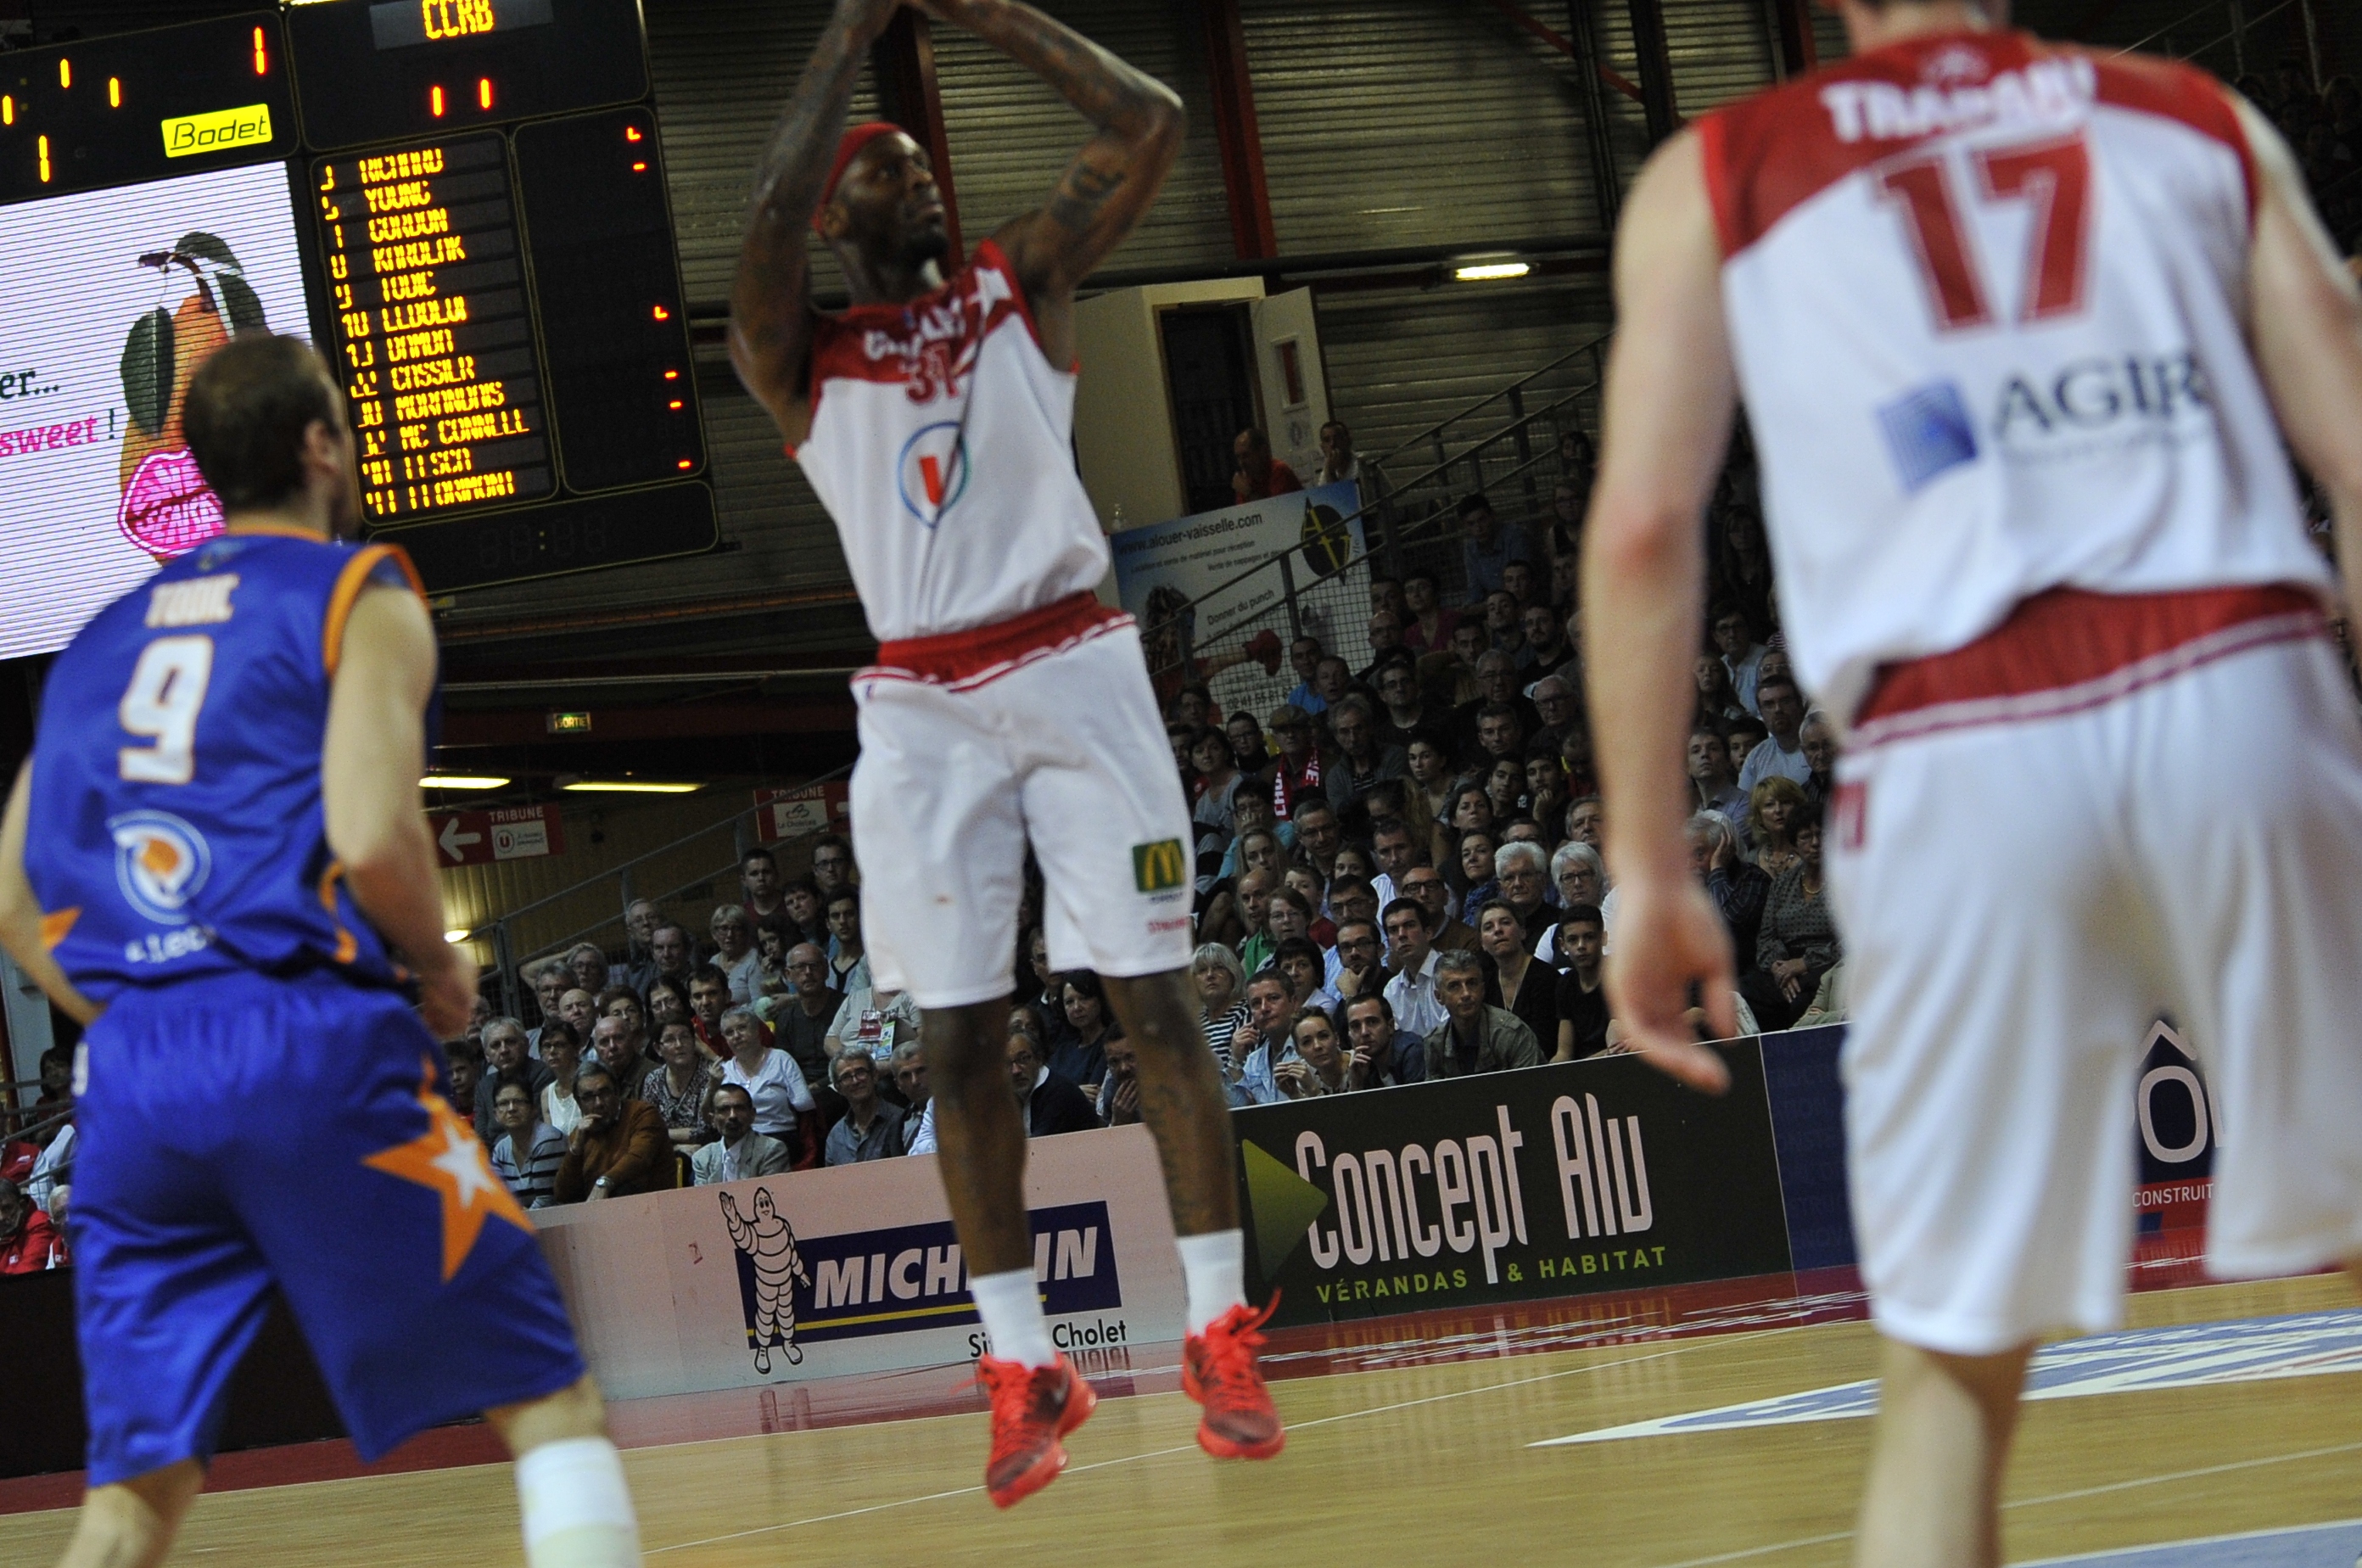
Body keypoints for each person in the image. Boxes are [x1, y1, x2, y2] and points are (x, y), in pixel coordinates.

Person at [1581, 3, 2362, 1560]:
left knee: (1946, 1373)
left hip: (1949, 747)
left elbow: (1643, 532)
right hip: (2233, 675)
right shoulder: (2192, 115)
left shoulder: (1714, 173)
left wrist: (1651, 869)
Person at [735, 0, 1281, 1504]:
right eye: (881, 171)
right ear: (840, 216)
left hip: (1077, 666)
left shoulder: (1010, 282)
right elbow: (765, 217)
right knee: (960, 1042)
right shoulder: (798, 355)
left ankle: (1220, 1326)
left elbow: (1148, 122)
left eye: (920, 164)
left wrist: (977, 13)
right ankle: (1016, 1361)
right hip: (920, 711)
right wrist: (845, 35)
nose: (913, 181)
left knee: (1151, 1001)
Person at [0, 333, 640, 1568]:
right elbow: (368, 834)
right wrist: (442, 967)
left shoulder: (93, 646)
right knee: (550, 1402)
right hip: (302, 1040)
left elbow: (18, 911)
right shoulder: (361, 595)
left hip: (130, 1078)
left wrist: (145, 1010)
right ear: (318, 448)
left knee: (132, 1502)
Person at [552, 1065, 669, 1203]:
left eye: (604, 1093)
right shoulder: (581, 1133)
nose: (599, 1103)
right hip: (599, 1216)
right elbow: (562, 1195)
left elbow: (639, 1158)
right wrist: (576, 1149)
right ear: (579, 1102)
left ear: (617, 1092)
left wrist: (605, 1182)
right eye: (589, 1097)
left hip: (652, 1207)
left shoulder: (642, 1114)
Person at [718, 1006, 817, 1168]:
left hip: (779, 1137)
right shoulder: (724, 1071)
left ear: (757, 1029)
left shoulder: (781, 1059)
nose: (736, 1036)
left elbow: (804, 1103)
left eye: (742, 1028)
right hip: (737, 1138)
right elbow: (712, 1117)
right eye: (729, 1032)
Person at [1424, 949, 1542, 1078]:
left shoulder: (1512, 1035)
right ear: (1439, 996)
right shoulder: (1435, 1044)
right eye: (1454, 986)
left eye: (1472, 983)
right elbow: (1433, 1096)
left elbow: (1531, 1091)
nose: (1466, 994)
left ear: (1482, 989)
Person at [1005, 1011, 1102, 1137]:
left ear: (1039, 1059)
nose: (1016, 1070)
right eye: (1007, 1064)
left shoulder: (1060, 1093)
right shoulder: (1013, 1094)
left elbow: (1038, 1150)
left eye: (1023, 1059)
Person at [1476, 900, 1555, 1047]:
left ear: (1522, 932)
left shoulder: (1546, 977)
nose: (1498, 930)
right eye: (1488, 927)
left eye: (1505, 923)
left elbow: (1546, 1041)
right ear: (1482, 944)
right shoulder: (1485, 983)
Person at [771, 944, 842, 1088]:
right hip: (799, 1089)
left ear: (827, 970)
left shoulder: (847, 1007)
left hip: (841, 1083)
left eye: (814, 966)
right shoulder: (785, 1018)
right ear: (788, 975)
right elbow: (785, 1067)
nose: (808, 972)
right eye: (801, 967)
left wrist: (819, 1085)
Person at [490, 1080, 568, 1210]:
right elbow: (498, 1200)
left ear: (533, 1109)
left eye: (519, 1101)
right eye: (503, 1104)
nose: (511, 1109)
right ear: (496, 1115)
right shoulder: (501, 1149)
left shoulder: (548, 1140)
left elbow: (546, 1202)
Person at [691, 1084, 792, 1185]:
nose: (732, 1116)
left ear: (752, 1115)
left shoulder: (771, 1150)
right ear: (713, 1119)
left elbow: (771, 1197)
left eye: (739, 1108)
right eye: (724, 1109)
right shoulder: (702, 1158)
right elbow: (702, 1200)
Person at [824, 1046, 907, 1165]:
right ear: (838, 1088)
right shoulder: (836, 1135)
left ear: (874, 1076)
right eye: (846, 1077)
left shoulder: (901, 1121)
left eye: (860, 1072)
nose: (856, 1081)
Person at [643, 1021, 717, 1151]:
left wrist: (663, 1133)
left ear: (694, 1042)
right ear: (658, 1049)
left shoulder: (710, 1074)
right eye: (670, 1040)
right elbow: (647, 1129)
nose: (679, 1045)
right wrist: (677, 1147)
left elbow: (704, 1132)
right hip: (664, 1151)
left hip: (706, 1151)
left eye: (684, 1037)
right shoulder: (653, 1079)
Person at [1380, 899, 1447, 1039]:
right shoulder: (1392, 990)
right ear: (1389, 943)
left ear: (1428, 933)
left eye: (1409, 925)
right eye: (1393, 930)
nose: (1401, 935)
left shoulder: (1451, 974)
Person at [1551, 905, 1612, 1061]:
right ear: (1562, 945)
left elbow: (1622, 1046)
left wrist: (1580, 1069)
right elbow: (1564, 1052)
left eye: (1589, 937)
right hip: (1582, 1073)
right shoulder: (1565, 984)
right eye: (1573, 940)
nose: (1581, 946)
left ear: (1603, 938)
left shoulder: (1622, 976)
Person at [1735, 673, 1811, 794]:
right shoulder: (1756, 757)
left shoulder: (1819, 748)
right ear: (1760, 712)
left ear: (1800, 704)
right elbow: (1744, 808)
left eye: (1785, 701)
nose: (1778, 709)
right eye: (1769, 704)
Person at [1341, 993, 1426, 1088]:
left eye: (1372, 1022)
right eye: (1356, 1026)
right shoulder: (1364, 1064)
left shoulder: (1411, 1051)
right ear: (1349, 1034)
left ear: (1390, 1026)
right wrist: (1357, 1084)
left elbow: (1418, 1101)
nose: (1364, 1032)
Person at [1273, 1009, 1352, 1099]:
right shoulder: (1303, 1076)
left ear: (1337, 1039)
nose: (1317, 1046)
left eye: (1323, 1036)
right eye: (1307, 1042)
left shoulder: (1359, 1064)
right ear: (1298, 1052)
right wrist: (1294, 1094)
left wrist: (1313, 1090)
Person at [0, 1176, 67, 1274]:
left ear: (21, 1205)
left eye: (7, 1208)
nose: (1, 1217)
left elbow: (28, 1275)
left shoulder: (40, 1224)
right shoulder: (6, 1233)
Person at [537, 1019, 585, 1138]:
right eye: (547, 1046)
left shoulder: (590, 1082)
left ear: (576, 1049)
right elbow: (552, 1138)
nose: (552, 1051)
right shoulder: (547, 1094)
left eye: (560, 1045)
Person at [1232, 426, 1301, 502]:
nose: (1241, 463)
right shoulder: (1246, 479)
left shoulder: (1279, 470)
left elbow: (1277, 511)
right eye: (1238, 457)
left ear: (1263, 451)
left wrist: (1249, 493)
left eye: (1246, 456)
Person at [1095, 1036, 1142, 1126]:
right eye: (1114, 1062)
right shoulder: (1112, 1090)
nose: (1124, 1068)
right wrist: (1118, 1123)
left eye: (1131, 1057)